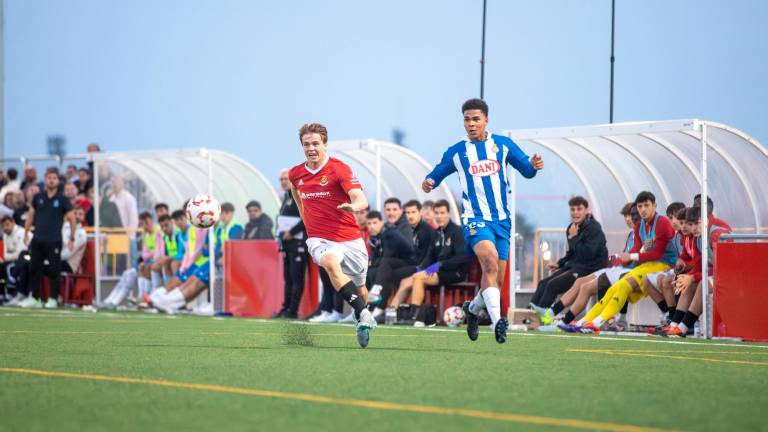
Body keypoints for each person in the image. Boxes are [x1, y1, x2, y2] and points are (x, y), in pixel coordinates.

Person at [422, 98, 543, 343]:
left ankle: (473, 310)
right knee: (488, 263)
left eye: (476, 119)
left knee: (496, 279)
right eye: (467, 119)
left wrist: (534, 165)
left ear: (486, 120)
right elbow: (437, 173)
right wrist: (429, 181)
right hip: (475, 219)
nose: (471, 124)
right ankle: (499, 322)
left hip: (502, 221)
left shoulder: (503, 145)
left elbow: (527, 171)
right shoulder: (457, 152)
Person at [289, 122, 375, 348]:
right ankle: (363, 313)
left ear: (325, 144)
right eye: (306, 144)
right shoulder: (295, 174)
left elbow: (360, 198)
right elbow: (296, 193)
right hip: (319, 238)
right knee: (328, 261)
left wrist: (354, 206)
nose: (311, 148)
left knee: (361, 288)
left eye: (316, 143)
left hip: (349, 238)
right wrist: (307, 222)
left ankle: (361, 316)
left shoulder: (339, 169)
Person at [566, 191, 677, 334]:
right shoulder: (640, 226)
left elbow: (657, 254)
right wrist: (625, 257)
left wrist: (632, 256)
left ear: (654, 206)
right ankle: (585, 322)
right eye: (640, 206)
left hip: (665, 265)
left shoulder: (662, 222)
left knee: (621, 285)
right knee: (615, 288)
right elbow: (636, 251)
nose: (643, 209)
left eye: (646, 205)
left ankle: (596, 323)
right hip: (648, 266)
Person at [387, 199, 471, 326]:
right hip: (438, 271)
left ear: (449, 214)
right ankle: (391, 314)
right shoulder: (437, 233)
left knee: (419, 278)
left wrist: (440, 265)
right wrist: (422, 268)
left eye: (442, 213)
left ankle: (415, 315)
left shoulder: (457, 231)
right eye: (436, 213)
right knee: (406, 281)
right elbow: (429, 257)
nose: (439, 216)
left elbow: (464, 257)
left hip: (455, 272)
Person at [529, 196, 607, 324]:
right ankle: (528, 315)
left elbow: (589, 254)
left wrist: (574, 237)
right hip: (576, 266)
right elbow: (572, 253)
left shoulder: (594, 228)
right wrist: (559, 263)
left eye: (579, 209)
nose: (575, 212)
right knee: (542, 283)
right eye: (572, 209)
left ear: (586, 210)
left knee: (552, 285)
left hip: (590, 269)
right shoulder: (572, 227)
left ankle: (541, 320)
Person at [366, 199, 435, 319]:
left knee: (387, 269)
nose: (410, 215)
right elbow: (384, 253)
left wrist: (424, 270)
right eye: (408, 213)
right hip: (408, 263)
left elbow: (424, 254)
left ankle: (384, 308)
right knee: (375, 270)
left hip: (423, 267)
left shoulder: (417, 229)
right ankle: (371, 308)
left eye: (413, 212)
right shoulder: (394, 227)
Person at [19, 167, 76, 308]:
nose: (51, 180)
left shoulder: (62, 199)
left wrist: (72, 238)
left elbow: (72, 218)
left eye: (54, 178)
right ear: (45, 179)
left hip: (54, 240)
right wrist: (26, 232)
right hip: (38, 239)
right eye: (49, 177)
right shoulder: (38, 197)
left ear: (58, 180)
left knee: (54, 271)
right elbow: (31, 215)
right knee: (34, 269)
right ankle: (36, 299)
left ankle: (53, 299)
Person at [275, 169, 310, 319]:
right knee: (288, 277)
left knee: (296, 277)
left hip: (298, 242)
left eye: (285, 179)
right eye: (281, 179)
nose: (283, 182)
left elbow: (307, 217)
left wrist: (292, 231)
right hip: (286, 243)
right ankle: (285, 308)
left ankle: (293, 311)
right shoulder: (285, 198)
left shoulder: (300, 196)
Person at [1, 216, 28, 303]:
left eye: (7, 225)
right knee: (2, 266)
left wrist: (10, 255)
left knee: (9, 267)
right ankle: (2, 294)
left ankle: (10, 293)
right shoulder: (5, 235)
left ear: (13, 223)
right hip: (14, 260)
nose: (5, 228)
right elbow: (5, 255)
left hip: (27, 259)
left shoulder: (21, 232)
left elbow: (20, 253)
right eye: (3, 226)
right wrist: (11, 255)